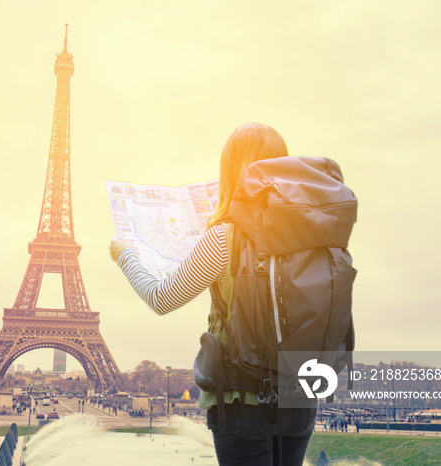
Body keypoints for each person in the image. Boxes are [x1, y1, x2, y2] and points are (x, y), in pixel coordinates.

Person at [110, 123, 316, 465]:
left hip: (243, 404)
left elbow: (161, 299)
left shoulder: (225, 238)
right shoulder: (307, 234)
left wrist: (126, 255)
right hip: (301, 400)